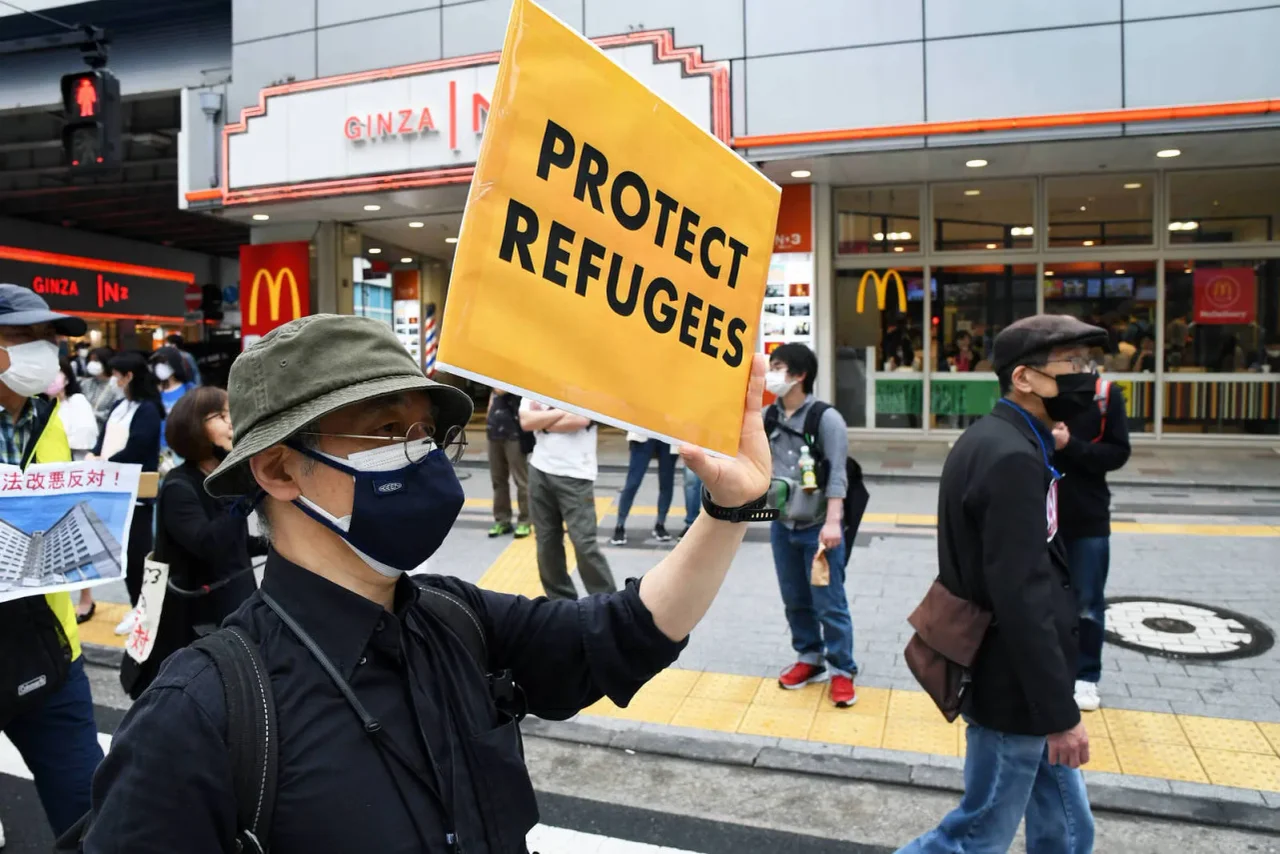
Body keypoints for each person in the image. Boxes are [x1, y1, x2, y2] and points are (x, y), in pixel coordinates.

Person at [76, 314, 774, 852]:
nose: (421, 458)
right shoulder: (199, 716)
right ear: (281, 471)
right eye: (385, 431)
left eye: (425, 432)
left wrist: (731, 507)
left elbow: (624, 632)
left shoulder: (455, 618)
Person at [898, 314, 1105, 854]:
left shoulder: (1002, 439)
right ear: (1024, 378)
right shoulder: (1011, 456)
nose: (1087, 376)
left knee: (1068, 828)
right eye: (1073, 364)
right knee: (975, 833)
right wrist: (1060, 716)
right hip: (1014, 689)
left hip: (1021, 683)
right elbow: (1023, 593)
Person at [0, 284, 104, 839]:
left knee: (92, 814)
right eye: (22, 336)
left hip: (51, 650)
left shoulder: (51, 416)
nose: (43, 350)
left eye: (48, 338)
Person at [122, 387, 264, 698]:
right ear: (194, 427)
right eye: (220, 416)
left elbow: (235, 541)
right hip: (198, 619)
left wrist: (269, 543)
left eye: (231, 414)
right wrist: (246, 496)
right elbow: (208, 543)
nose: (231, 423)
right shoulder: (178, 485)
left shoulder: (220, 478)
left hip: (233, 603)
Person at [763, 343, 856, 708]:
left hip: (819, 528)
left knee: (829, 602)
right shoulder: (769, 416)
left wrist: (833, 523)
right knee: (794, 598)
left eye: (780, 367)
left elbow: (837, 475)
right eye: (771, 366)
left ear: (800, 375)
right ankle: (809, 658)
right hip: (782, 525)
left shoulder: (825, 418)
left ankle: (842, 670)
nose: (773, 374)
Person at [1053, 368, 1130, 712]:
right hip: (1041, 515)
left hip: (1088, 516)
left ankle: (1086, 676)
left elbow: (1118, 453)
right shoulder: (1039, 388)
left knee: (1087, 602)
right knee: (1042, 600)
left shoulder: (1103, 394)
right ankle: (1049, 671)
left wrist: (1071, 446)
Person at [91, 351, 163, 633]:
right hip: (112, 487)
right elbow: (102, 439)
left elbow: (138, 447)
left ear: (129, 376)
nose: (112, 380)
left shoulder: (147, 410)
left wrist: (105, 463)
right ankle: (136, 606)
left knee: (138, 556)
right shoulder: (120, 405)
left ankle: (144, 610)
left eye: (116, 375)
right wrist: (95, 456)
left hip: (136, 492)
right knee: (121, 556)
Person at [520, 398, 617, 600]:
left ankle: (607, 602)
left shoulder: (586, 385)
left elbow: (581, 419)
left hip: (576, 475)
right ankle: (561, 601)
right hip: (539, 469)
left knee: (584, 543)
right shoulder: (535, 382)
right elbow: (526, 422)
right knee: (546, 542)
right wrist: (562, 412)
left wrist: (544, 421)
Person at [49, 358, 107, 623]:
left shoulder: (77, 402)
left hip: (75, 475)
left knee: (80, 541)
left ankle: (86, 598)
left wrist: (55, 436)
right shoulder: (38, 404)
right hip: (49, 480)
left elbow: (85, 438)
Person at [610, 432, 676, 546]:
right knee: (632, 483)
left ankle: (660, 524)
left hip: (669, 435)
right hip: (644, 433)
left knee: (667, 483)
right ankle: (620, 525)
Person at [485, 388, 531, 539]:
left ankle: (525, 521)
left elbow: (500, 390)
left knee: (521, 480)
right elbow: (493, 397)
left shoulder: (510, 377)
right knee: (498, 480)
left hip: (514, 433)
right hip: (494, 431)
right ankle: (502, 520)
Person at [81, 346, 123, 429]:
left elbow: (115, 413)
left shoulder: (116, 385)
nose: (91, 363)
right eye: (90, 360)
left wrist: (93, 414)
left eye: (96, 360)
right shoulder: (85, 383)